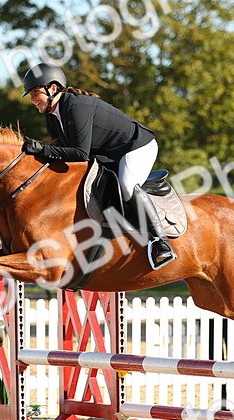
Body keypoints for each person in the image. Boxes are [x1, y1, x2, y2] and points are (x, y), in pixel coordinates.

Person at [20, 62, 176, 270]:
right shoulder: (52, 116)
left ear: (53, 88)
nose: (32, 99)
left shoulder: (75, 106)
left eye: (35, 93)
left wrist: (42, 149)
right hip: (110, 155)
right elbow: (61, 150)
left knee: (127, 185)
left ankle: (161, 242)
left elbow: (80, 153)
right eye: (31, 95)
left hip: (136, 147)